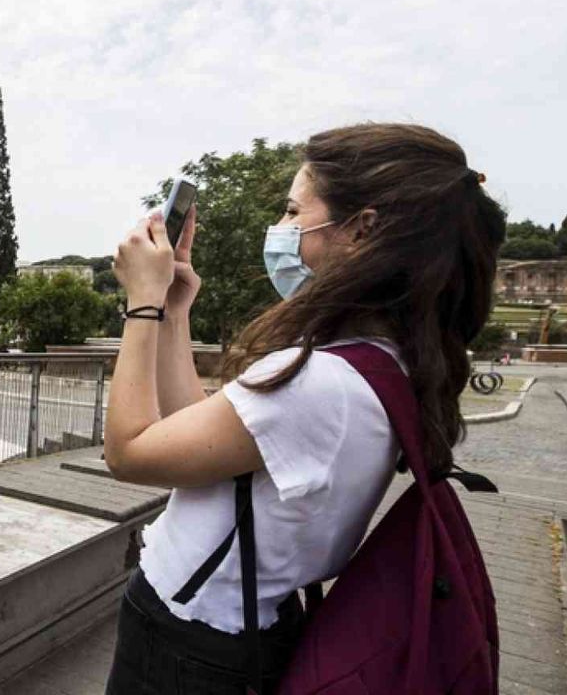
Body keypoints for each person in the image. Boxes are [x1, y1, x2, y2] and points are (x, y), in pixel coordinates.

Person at [101, 124, 505, 692]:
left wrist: (140, 305)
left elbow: (128, 452)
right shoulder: (381, 363)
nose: (283, 229)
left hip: (190, 641)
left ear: (362, 229)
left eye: (294, 211)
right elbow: (205, 437)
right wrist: (173, 308)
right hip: (252, 626)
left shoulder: (315, 383)